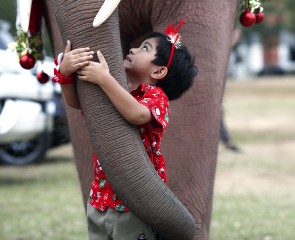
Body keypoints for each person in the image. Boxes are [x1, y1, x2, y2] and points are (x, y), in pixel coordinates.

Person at [53, 20, 197, 240]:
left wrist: (104, 78)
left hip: (135, 203)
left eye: (145, 49)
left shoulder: (157, 99)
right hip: (101, 200)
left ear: (159, 71)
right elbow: (78, 103)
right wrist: (65, 75)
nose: (133, 49)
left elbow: (137, 115)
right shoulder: (120, 93)